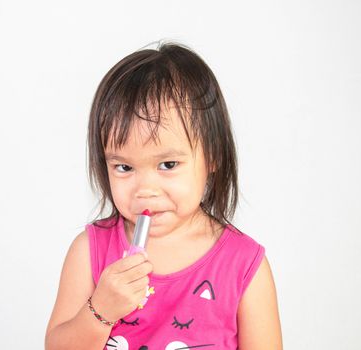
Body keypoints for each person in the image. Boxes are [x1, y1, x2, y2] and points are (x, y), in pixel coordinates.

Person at [45, 42, 282, 350]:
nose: (145, 189)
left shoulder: (244, 266)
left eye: (168, 164)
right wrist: (100, 311)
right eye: (124, 167)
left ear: (213, 157)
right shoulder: (90, 251)